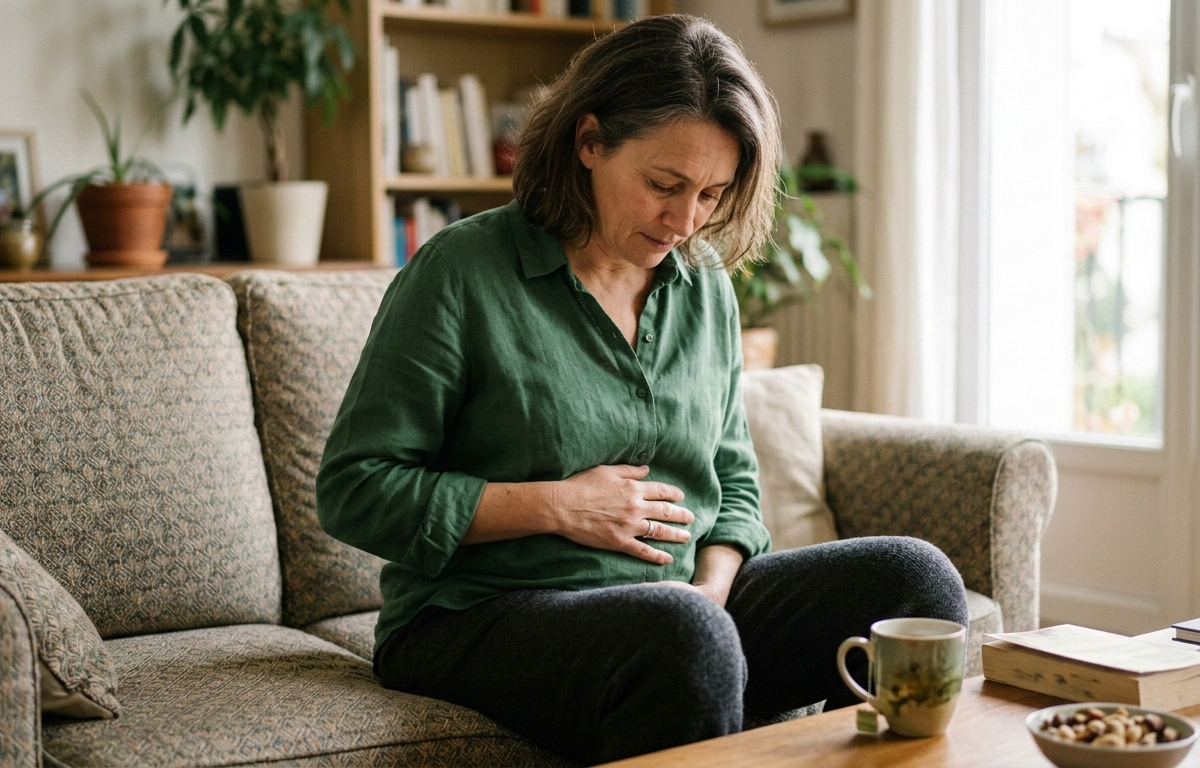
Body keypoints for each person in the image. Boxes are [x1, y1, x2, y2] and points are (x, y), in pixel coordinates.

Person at [316, 13, 968, 765]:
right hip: (479, 615)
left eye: (713, 194)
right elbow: (355, 488)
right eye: (664, 184)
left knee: (915, 582)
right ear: (589, 143)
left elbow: (732, 481)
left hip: (681, 614)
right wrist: (555, 504)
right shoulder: (462, 272)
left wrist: (711, 592)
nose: (685, 220)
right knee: (680, 639)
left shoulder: (705, 288)